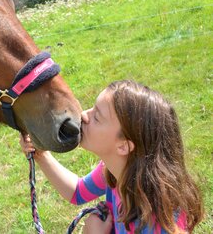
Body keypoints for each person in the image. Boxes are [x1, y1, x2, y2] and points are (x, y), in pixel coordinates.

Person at [19, 80, 203, 233]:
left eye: (97, 117)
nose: (83, 116)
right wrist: (42, 156)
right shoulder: (115, 170)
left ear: (123, 146)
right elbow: (77, 191)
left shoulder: (159, 224)